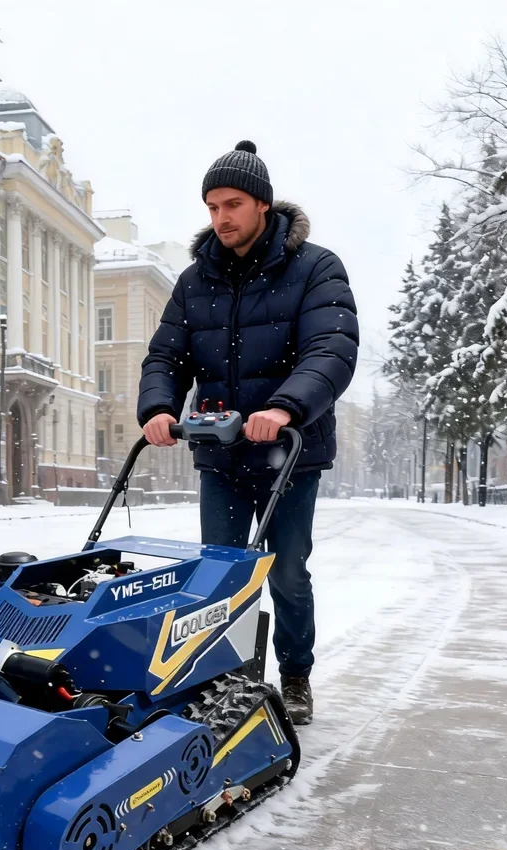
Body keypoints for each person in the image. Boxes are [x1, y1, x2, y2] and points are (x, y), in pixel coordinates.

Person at [137, 141, 358, 724]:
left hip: (289, 453)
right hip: (221, 453)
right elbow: (166, 356)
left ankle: (295, 674)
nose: (220, 218)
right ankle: (227, 678)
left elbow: (331, 349)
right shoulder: (194, 281)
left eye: (232, 204)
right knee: (225, 574)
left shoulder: (316, 268)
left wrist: (286, 407)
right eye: (211, 207)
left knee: (285, 569)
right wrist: (158, 408)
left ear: (262, 204)